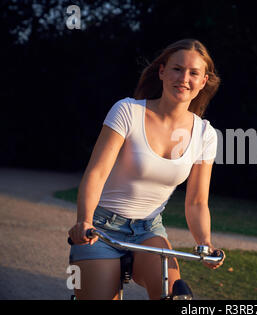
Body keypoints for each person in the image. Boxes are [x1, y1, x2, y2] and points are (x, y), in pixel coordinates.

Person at [68, 39, 225, 300]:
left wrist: (205, 242)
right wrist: (83, 220)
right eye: (177, 69)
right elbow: (96, 173)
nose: (184, 78)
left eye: (193, 73)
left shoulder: (205, 134)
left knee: (175, 296)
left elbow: (197, 202)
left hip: (149, 230)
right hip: (100, 227)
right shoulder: (127, 111)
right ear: (162, 71)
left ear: (203, 80)